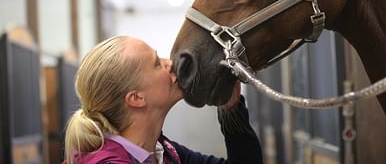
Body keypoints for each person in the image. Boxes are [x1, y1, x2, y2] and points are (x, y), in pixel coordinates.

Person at [63, 35, 263, 164]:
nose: (171, 63)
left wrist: (231, 108)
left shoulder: (162, 152)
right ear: (136, 98)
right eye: (157, 64)